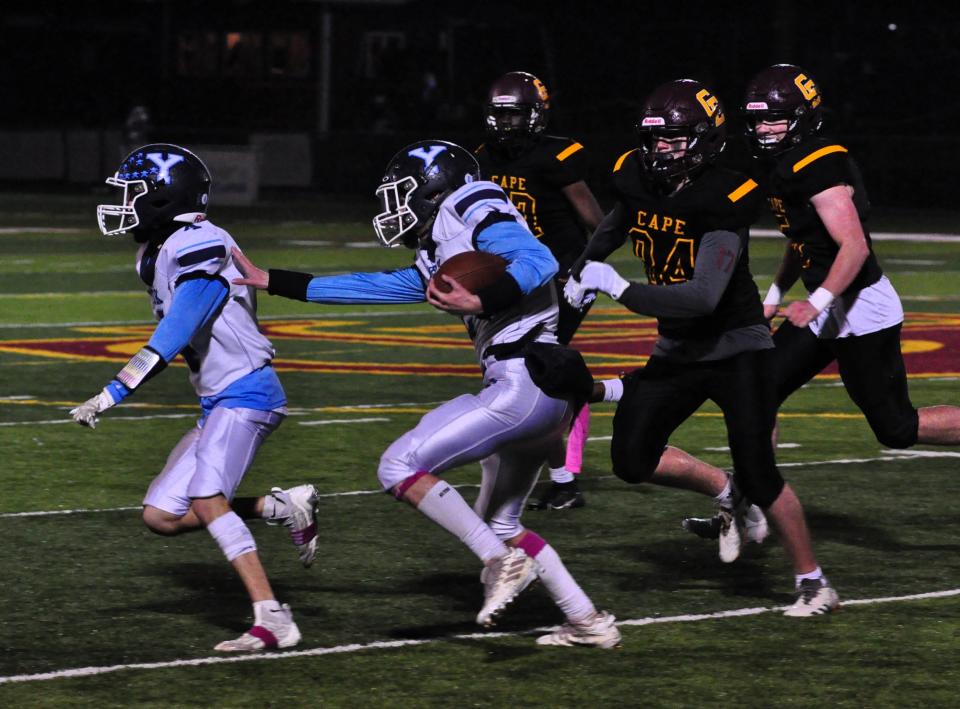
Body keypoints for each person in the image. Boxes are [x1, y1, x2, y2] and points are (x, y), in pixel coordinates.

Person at [232, 140, 620, 648]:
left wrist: (482, 297)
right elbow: (380, 285)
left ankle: (500, 563)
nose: (393, 207)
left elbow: (538, 259)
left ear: (434, 188)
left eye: (402, 194)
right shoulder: (440, 241)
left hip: (523, 379)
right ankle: (587, 622)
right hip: (542, 388)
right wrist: (278, 282)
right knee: (501, 520)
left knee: (398, 466)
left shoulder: (470, 202)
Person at [564, 80, 839, 616]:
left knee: (761, 469)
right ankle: (724, 490)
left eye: (674, 139)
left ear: (706, 140)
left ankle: (814, 582)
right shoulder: (637, 175)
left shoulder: (725, 196)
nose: (660, 149)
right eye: (655, 139)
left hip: (736, 347)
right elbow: (618, 222)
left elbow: (702, 297)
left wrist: (618, 287)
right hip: (679, 348)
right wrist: (580, 270)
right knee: (630, 458)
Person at [682, 64, 960, 543]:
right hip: (826, 306)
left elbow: (854, 247)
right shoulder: (783, 162)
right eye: (759, 120)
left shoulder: (818, 165)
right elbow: (802, 239)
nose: (765, 129)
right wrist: (775, 295)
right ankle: (748, 510)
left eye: (776, 119)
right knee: (757, 393)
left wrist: (819, 301)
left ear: (803, 119)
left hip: (860, 308)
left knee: (896, 428)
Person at [71, 144, 319, 652]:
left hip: (248, 393)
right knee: (160, 515)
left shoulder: (201, 243)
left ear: (164, 198)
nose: (122, 203)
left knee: (207, 498)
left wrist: (113, 391)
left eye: (131, 194)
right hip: (217, 401)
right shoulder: (157, 251)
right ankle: (282, 507)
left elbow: (179, 327)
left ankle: (273, 619)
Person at [476, 71, 605, 510]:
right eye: (500, 116)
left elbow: (595, 222)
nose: (505, 125)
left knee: (539, 370)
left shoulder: (558, 155)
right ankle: (559, 475)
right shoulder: (484, 158)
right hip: (517, 279)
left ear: (535, 115)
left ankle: (564, 477)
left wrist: (583, 272)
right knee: (530, 371)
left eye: (514, 115)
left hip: (564, 276)